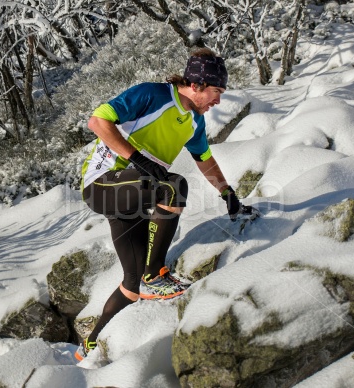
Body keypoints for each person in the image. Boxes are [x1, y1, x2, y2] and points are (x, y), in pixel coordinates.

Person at [75, 48, 252, 361]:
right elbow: (98, 121)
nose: (218, 101)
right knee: (173, 187)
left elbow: (205, 159)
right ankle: (155, 276)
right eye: (216, 92)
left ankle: (90, 344)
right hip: (102, 183)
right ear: (196, 85)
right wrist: (138, 159)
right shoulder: (152, 94)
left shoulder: (194, 123)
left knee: (131, 286)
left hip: (134, 194)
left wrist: (228, 194)